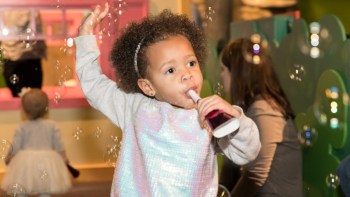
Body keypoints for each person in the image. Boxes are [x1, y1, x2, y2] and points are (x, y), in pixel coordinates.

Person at [75, 3, 261, 196]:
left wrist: (235, 118)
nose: (187, 74)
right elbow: (95, 85)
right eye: (171, 70)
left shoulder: (210, 115)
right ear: (148, 86)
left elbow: (247, 152)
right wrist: (85, 38)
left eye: (191, 63)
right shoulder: (134, 108)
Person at [219, 37, 303, 196]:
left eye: (223, 69)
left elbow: (255, 175)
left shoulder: (263, 109)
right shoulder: (250, 108)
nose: (221, 75)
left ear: (237, 73)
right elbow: (230, 165)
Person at [1, 88, 71, 197]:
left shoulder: (22, 127)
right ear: (46, 109)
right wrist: (64, 157)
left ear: (23, 110)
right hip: (47, 160)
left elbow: (15, 145)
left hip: (25, 162)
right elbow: (58, 144)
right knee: (46, 186)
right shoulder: (52, 125)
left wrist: (9, 156)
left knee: (21, 184)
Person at [1, 10, 47, 97]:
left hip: (13, 56)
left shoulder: (5, 8)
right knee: (34, 97)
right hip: (31, 56)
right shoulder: (32, 8)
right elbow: (37, 31)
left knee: (21, 97)